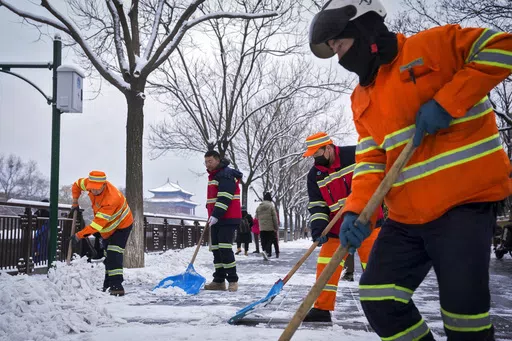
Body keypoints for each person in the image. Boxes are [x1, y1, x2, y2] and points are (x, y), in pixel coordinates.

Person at [309, 1, 512, 339]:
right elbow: (372, 162)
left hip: (464, 202)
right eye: (333, 50)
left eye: (340, 45)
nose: (339, 56)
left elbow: (503, 47)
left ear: (362, 29)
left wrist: (450, 101)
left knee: (464, 315)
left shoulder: (430, 46)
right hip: (406, 217)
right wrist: (357, 211)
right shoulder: (361, 98)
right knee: (377, 296)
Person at [302, 132, 381, 322]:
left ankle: (383, 308)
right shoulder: (315, 175)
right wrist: (319, 228)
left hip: (367, 223)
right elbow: (317, 204)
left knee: (376, 266)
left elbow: (372, 180)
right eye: (312, 155)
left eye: (317, 153)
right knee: (326, 267)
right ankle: (322, 309)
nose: (315, 158)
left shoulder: (355, 155)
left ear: (328, 148)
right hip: (336, 229)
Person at [71, 171, 133, 296]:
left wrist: (79, 235)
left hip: (122, 225)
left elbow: (97, 225)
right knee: (107, 255)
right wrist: (75, 201)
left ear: (104, 185)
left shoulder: (111, 198)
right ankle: (107, 285)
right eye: (91, 189)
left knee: (114, 253)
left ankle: (117, 287)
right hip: (107, 227)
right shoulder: (88, 183)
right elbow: (76, 184)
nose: (93, 191)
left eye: (97, 189)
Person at [204, 150, 243, 292]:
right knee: (216, 248)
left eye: (210, 161)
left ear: (218, 160)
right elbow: (213, 197)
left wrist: (216, 214)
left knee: (224, 248)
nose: (208, 164)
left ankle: (232, 280)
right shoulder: (214, 175)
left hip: (228, 217)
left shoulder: (226, 175)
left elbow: (225, 197)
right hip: (216, 218)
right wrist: (210, 212)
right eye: (206, 162)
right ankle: (219, 280)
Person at [255, 192, 280, 258]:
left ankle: (265, 252)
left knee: (263, 240)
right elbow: (274, 218)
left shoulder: (259, 207)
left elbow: (256, 217)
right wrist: (276, 227)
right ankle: (266, 251)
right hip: (270, 227)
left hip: (262, 227)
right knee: (270, 240)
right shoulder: (271, 206)